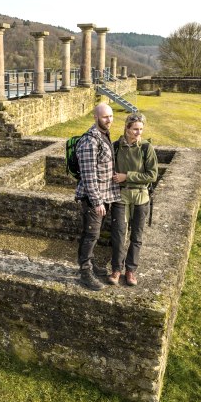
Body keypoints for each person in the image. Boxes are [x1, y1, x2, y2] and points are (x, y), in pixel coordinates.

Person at [109, 113, 158, 286]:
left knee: (136, 235)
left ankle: (131, 271)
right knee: (119, 234)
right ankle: (116, 269)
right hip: (121, 196)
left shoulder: (146, 148)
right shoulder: (115, 147)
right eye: (135, 129)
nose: (139, 132)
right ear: (127, 128)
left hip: (141, 197)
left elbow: (152, 175)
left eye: (141, 129)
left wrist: (127, 176)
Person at [75, 103, 120, 291]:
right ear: (95, 117)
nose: (109, 120)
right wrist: (97, 201)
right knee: (90, 235)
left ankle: (91, 264)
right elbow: (88, 175)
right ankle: (85, 273)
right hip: (93, 198)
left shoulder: (104, 135)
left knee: (93, 234)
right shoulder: (89, 141)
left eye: (110, 116)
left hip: (105, 195)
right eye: (104, 117)